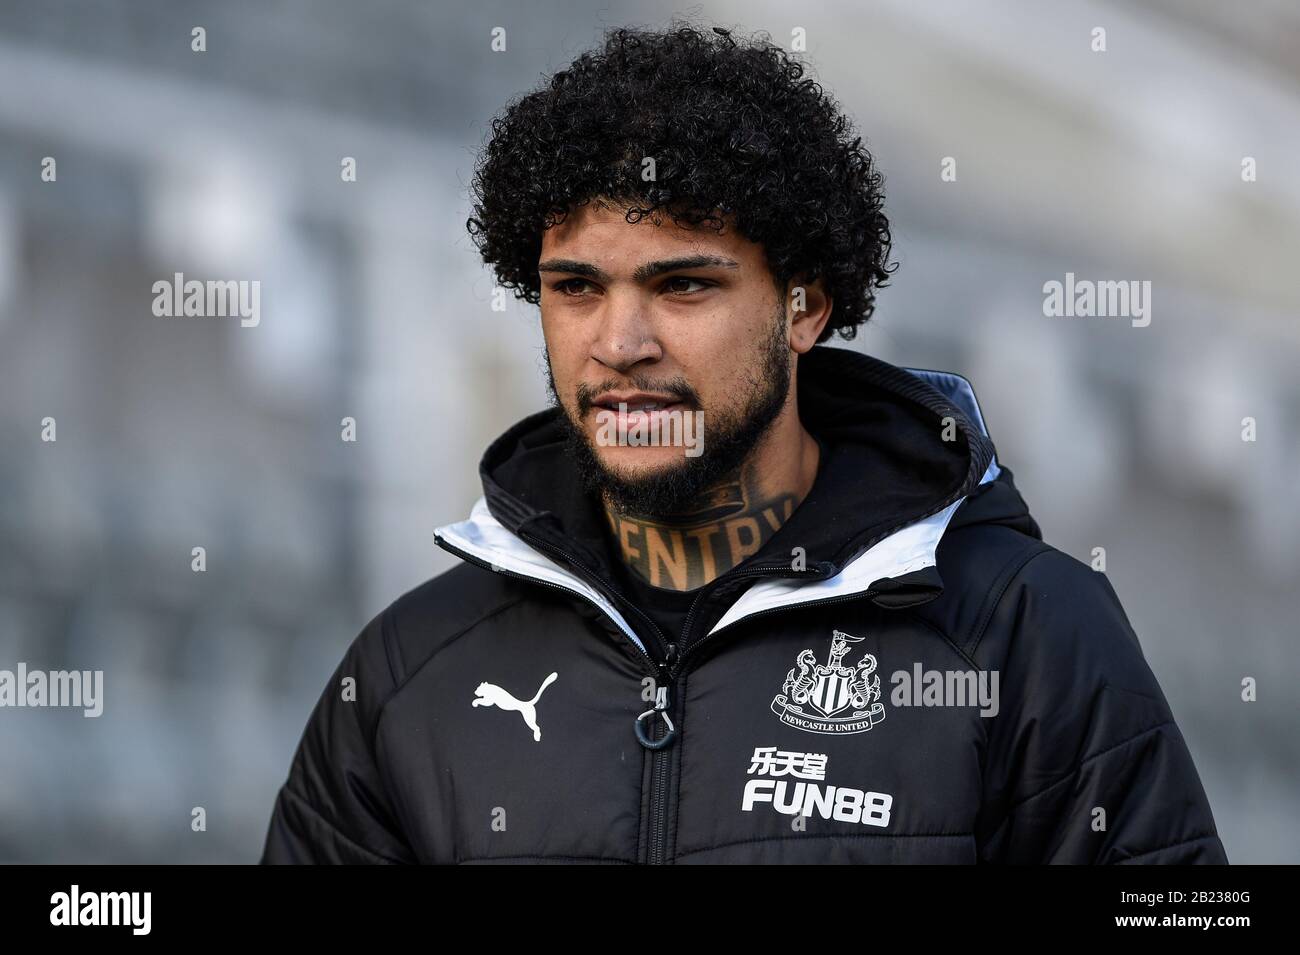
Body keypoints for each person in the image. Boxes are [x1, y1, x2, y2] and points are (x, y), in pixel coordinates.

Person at [260, 23, 1227, 864]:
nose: (619, 344)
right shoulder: (412, 671)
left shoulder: (1026, 637)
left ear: (805, 307)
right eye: (577, 287)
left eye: (683, 286)